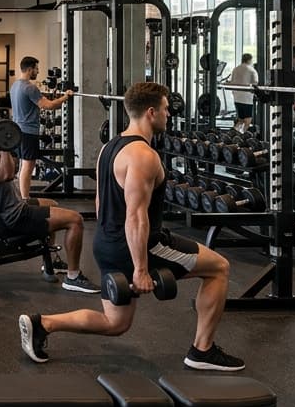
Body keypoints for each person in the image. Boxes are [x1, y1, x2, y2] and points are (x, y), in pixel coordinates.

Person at [18, 82, 244, 372]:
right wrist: (140, 268)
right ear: (151, 112)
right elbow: (137, 216)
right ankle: (203, 350)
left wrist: (113, 243)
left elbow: (100, 203)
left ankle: (43, 324)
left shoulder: (109, 147)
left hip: (106, 241)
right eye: (165, 110)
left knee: (116, 323)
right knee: (219, 268)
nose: (168, 115)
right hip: (141, 245)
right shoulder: (143, 156)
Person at [0, 121, 97, 293]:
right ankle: (73, 276)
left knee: (52, 204)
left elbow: (5, 169)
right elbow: (5, 174)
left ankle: (51, 260)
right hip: (16, 216)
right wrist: (4, 145)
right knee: (75, 220)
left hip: (12, 208)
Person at [10, 56, 73, 198]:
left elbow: (30, 101)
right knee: (28, 166)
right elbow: (49, 106)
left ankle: (21, 196)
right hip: (28, 132)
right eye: (36, 69)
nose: (38, 72)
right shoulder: (30, 87)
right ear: (30, 69)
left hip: (18, 131)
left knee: (23, 165)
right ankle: (25, 200)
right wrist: (66, 97)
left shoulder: (15, 86)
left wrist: (45, 95)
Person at [228, 53, 258, 134]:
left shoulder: (236, 69)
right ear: (249, 60)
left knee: (241, 119)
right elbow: (256, 83)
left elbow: (232, 82)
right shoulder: (251, 70)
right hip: (246, 98)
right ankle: (242, 134)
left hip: (237, 97)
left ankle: (233, 133)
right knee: (248, 119)